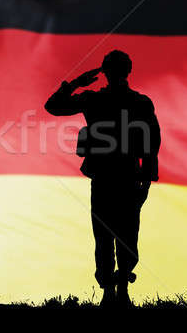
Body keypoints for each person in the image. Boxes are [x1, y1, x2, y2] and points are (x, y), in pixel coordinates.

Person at [45, 50, 161, 306]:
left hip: (105, 176)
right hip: (128, 175)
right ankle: (119, 292)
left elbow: (53, 105)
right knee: (127, 233)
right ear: (128, 71)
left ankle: (111, 291)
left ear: (105, 72)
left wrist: (76, 83)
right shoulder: (140, 103)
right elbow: (152, 143)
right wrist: (147, 178)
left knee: (105, 234)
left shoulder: (93, 100)